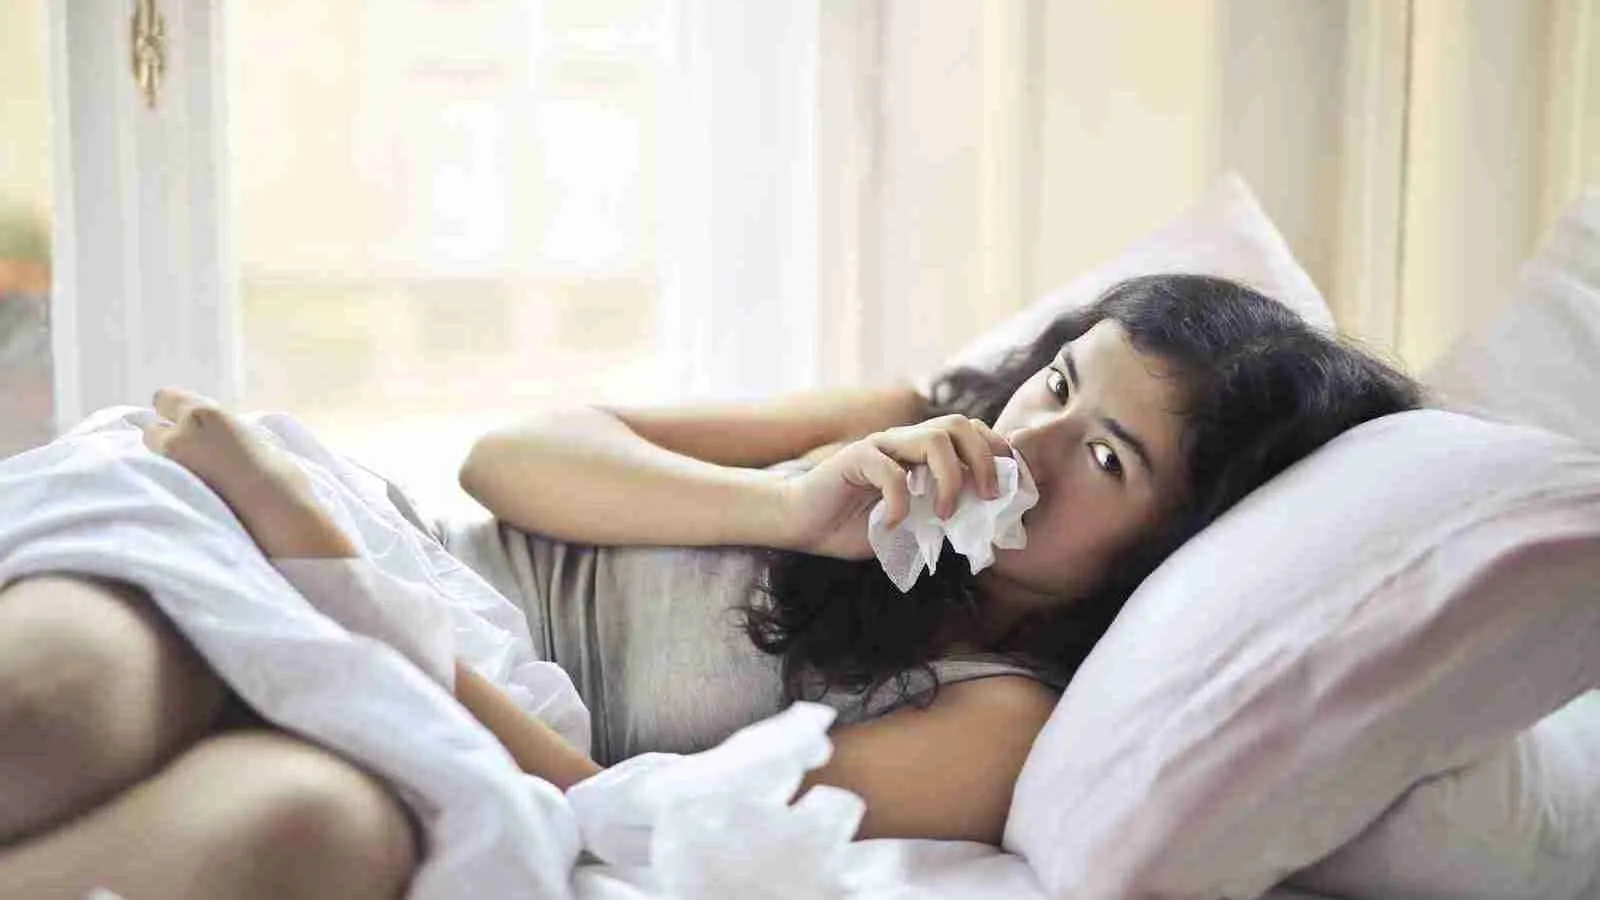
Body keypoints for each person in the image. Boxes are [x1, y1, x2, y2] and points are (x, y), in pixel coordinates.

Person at [0, 274, 1421, 898]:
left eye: (1103, 455)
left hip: (421, 694)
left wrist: (319, 567)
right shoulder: (887, 429)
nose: (1025, 443)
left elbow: (610, 806)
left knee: (290, 840)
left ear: (1167, 554)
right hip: (359, 552)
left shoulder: (995, 722)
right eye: (1056, 384)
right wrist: (788, 502)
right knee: (48, 713)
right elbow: (511, 460)